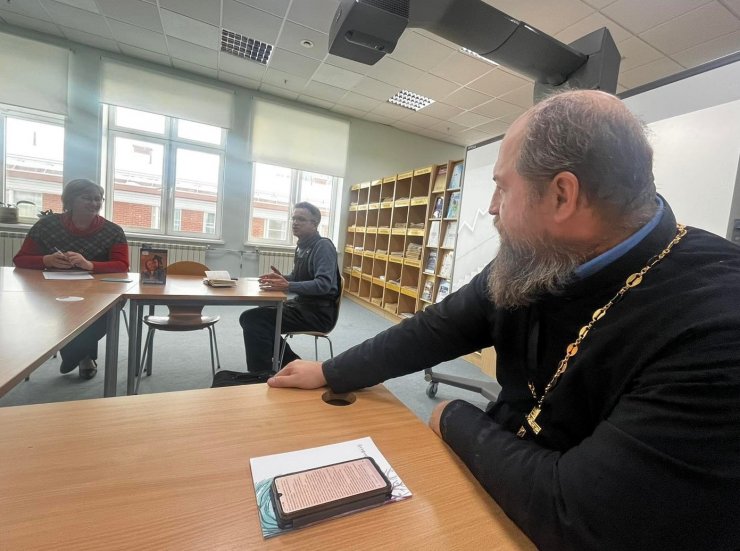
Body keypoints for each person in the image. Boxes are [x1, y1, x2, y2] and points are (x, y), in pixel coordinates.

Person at [266, 91, 740, 549]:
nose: (492, 206)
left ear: (562, 196)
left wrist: (453, 415)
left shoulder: (717, 324)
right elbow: (437, 327)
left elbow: (581, 517)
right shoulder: (544, 255)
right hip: (506, 480)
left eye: (502, 187)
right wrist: (331, 371)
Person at [14, 179, 129, 379]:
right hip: (52, 288)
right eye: (87, 198)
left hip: (97, 291)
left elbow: (122, 265)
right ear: (70, 200)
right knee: (63, 307)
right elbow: (20, 259)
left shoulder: (113, 231)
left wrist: (89, 265)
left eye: (98, 199)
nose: (94, 203)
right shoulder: (46, 226)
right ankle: (83, 356)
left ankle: (75, 354)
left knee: (108, 307)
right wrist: (46, 260)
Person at [240, 201, 340, 372]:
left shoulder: (323, 246)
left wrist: (288, 285)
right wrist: (281, 279)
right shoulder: (302, 247)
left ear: (314, 224)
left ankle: (261, 374)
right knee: (256, 315)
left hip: (318, 313)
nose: (295, 223)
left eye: (301, 219)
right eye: (293, 218)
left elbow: (323, 285)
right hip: (302, 306)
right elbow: (297, 277)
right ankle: (291, 363)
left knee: (253, 319)